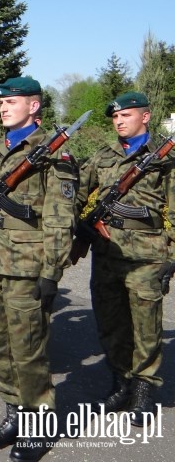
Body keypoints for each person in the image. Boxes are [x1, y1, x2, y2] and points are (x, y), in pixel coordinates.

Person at [0, 76, 78, 460]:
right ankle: (13, 413)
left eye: (12, 101)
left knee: (28, 351)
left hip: (29, 266)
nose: (4, 107)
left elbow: (61, 219)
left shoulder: (54, 155)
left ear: (35, 106)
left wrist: (52, 272)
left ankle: (38, 426)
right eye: (1, 103)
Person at [77, 91, 174, 426]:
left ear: (145, 117)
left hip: (147, 255)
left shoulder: (165, 158)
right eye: (115, 117)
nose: (118, 121)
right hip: (106, 253)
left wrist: (171, 257)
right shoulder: (103, 155)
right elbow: (76, 191)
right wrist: (76, 224)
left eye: (126, 115)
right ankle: (121, 382)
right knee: (111, 322)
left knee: (146, 326)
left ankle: (144, 391)